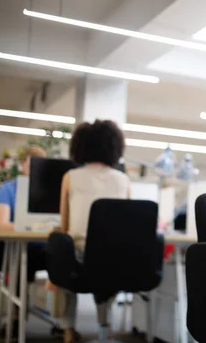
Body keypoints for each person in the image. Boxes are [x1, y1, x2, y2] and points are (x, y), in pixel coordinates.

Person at [58, 120, 130, 343]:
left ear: (80, 146)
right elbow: (127, 224)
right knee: (109, 267)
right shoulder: (124, 180)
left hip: (80, 257)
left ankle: (68, 328)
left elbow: (64, 226)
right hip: (114, 260)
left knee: (64, 253)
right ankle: (104, 326)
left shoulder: (70, 177)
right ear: (115, 148)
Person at [0, 145, 48, 336]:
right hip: (19, 247)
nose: (34, 171)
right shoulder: (8, 189)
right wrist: (30, 227)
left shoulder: (47, 191)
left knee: (65, 256)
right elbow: (2, 224)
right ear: (22, 164)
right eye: (30, 165)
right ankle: (16, 318)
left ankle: (66, 323)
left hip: (44, 248)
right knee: (19, 261)